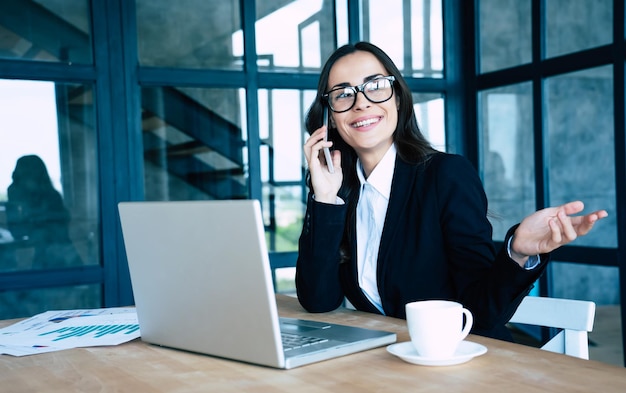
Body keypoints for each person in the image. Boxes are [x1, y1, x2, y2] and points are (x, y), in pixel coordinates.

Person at [295, 42, 608, 341]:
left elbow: (482, 312)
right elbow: (319, 300)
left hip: (461, 360)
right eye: (343, 94)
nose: (361, 102)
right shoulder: (342, 195)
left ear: (399, 99)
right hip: (392, 361)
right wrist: (324, 199)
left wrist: (517, 253)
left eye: (376, 86)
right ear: (330, 117)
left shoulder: (444, 175)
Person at [6, 155, 82, 268]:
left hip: (59, 252)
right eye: (23, 175)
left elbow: (63, 223)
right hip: (40, 252)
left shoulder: (52, 196)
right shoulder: (16, 193)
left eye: (29, 174)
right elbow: (17, 230)